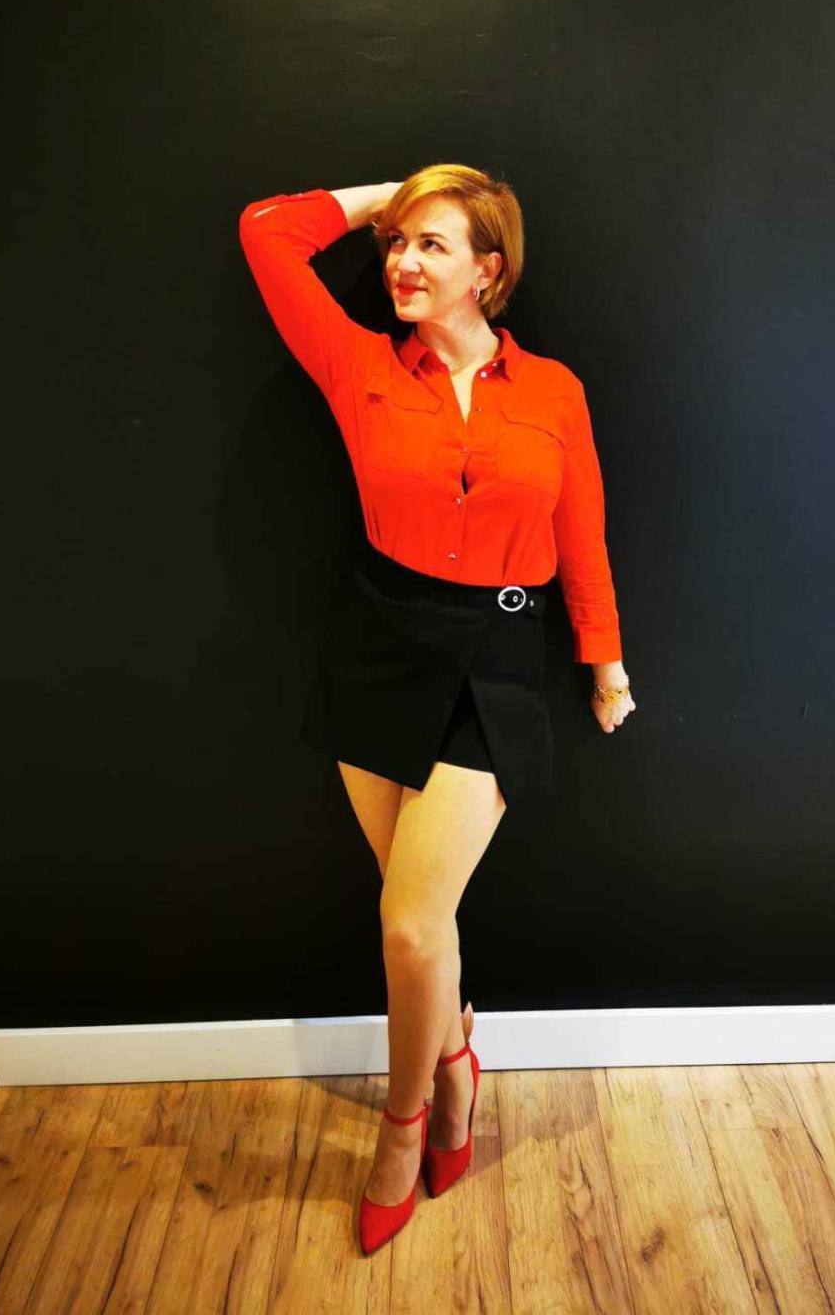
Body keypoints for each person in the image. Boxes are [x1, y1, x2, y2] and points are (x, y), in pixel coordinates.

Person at [238, 163, 634, 1255]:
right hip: (378, 649)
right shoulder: (358, 363)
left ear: (488, 271)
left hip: (495, 661)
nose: (404, 263)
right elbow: (265, 232)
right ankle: (456, 1062)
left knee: (413, 924)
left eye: (433, 244)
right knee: (420, 924)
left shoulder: (553, 391)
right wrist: (394, 195)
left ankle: (404, 1126)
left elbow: (584, 538)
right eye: (397, 245)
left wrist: (604, 666)